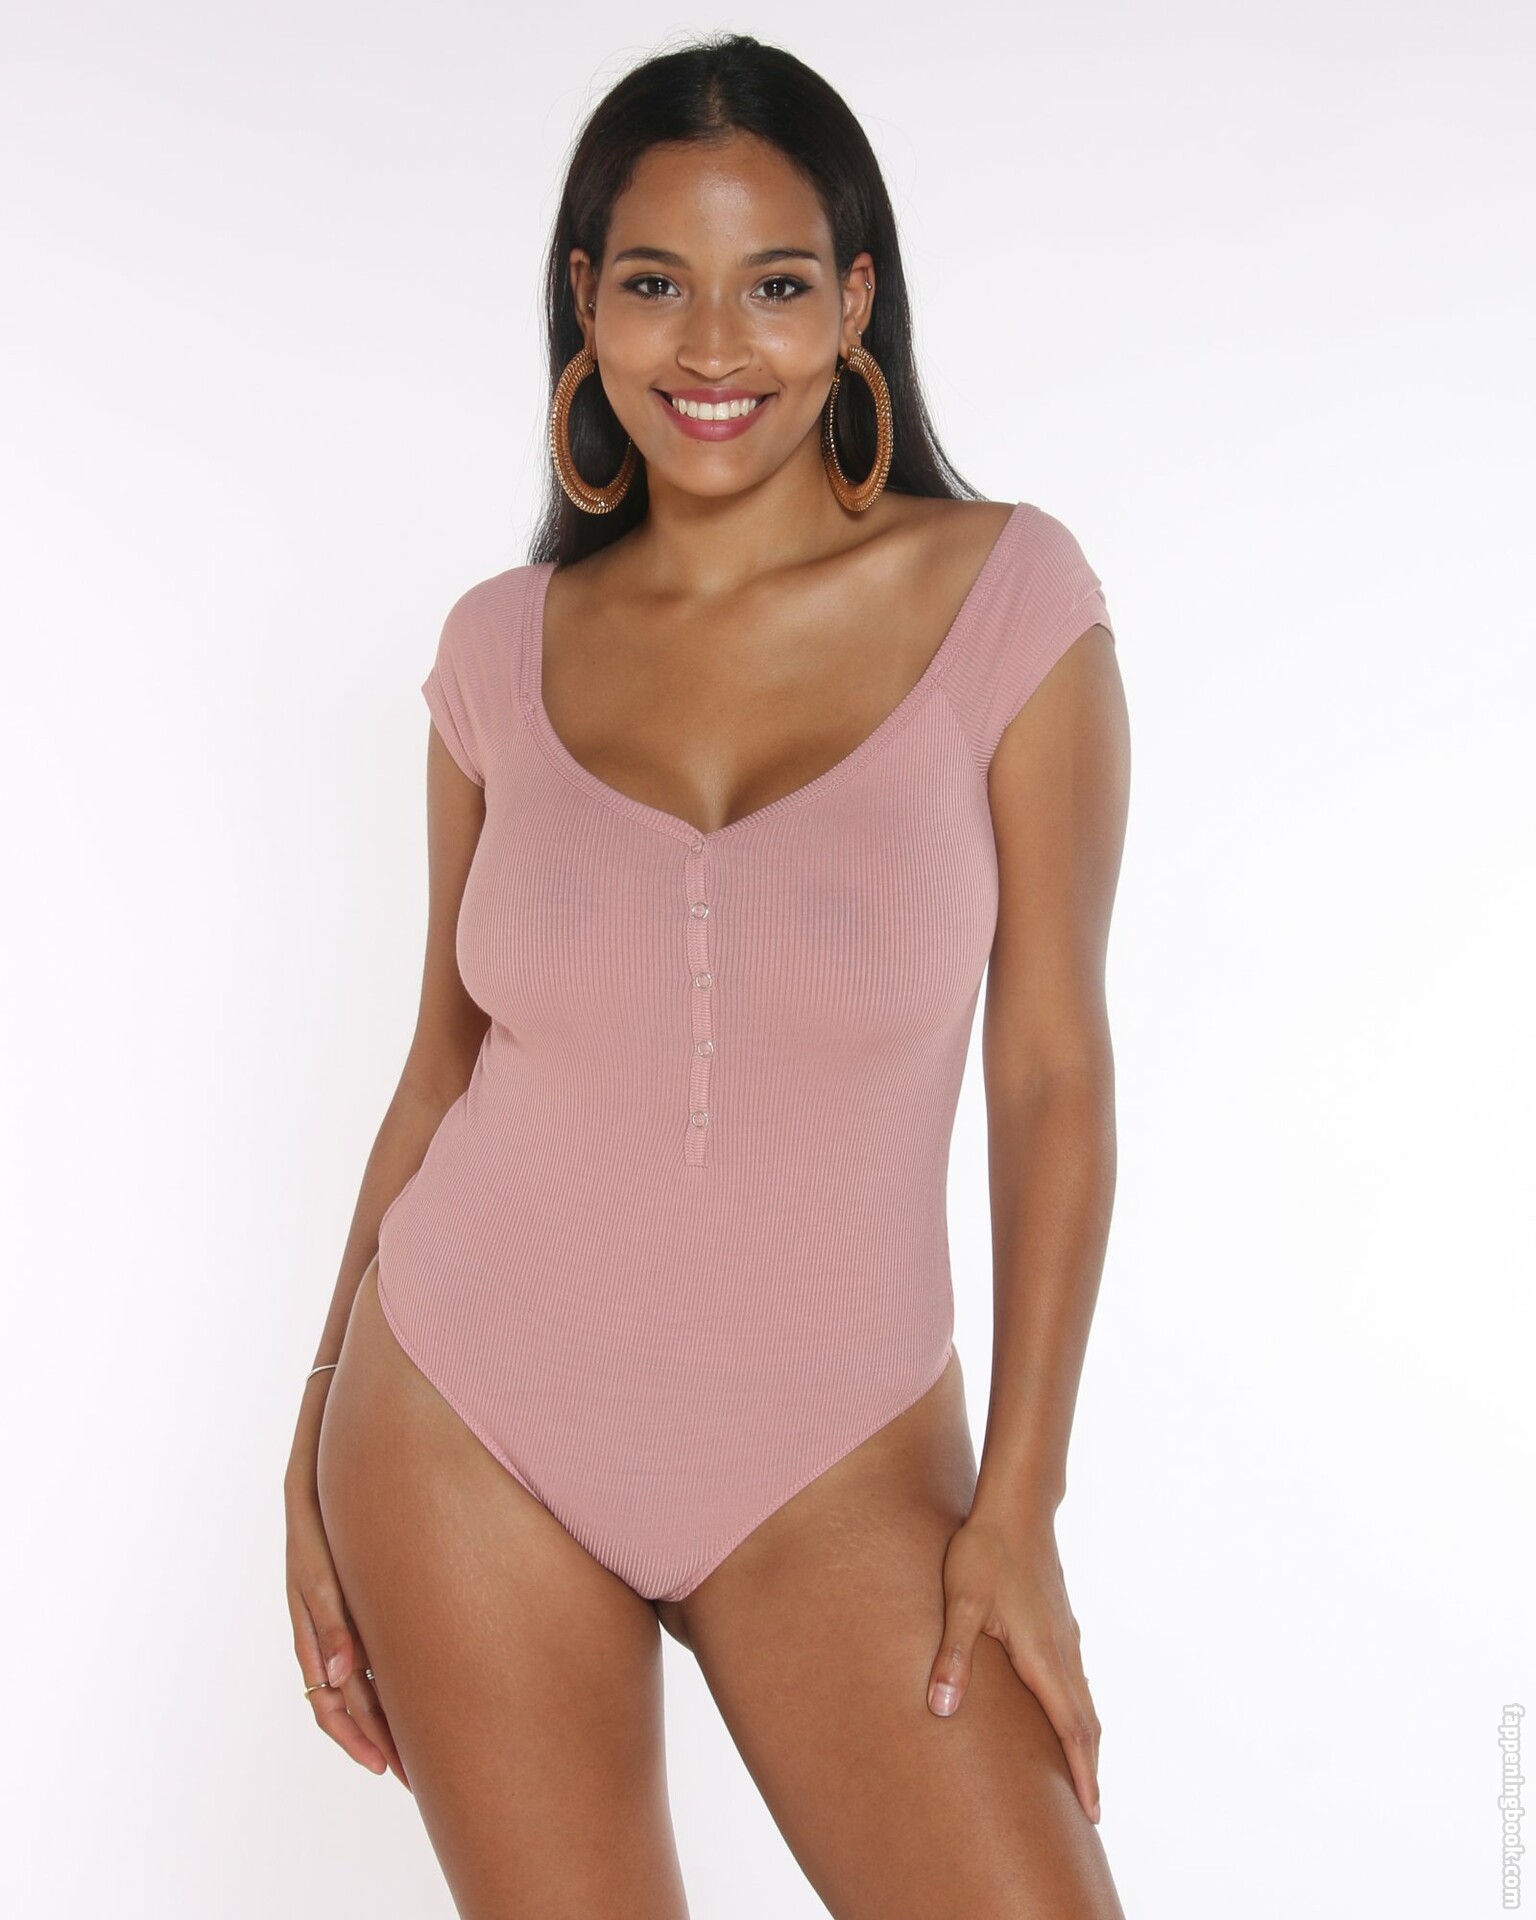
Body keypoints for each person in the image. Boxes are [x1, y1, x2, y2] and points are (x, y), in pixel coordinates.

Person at [284, 31, 1130, 1919]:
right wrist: (308, 1439)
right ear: (587, 303)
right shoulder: (499, 651)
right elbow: (438, 1074)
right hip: (463, 1424)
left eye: (776, 285)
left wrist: (1022, 1505)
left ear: (857, 304)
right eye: (659, 285)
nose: (716, 348)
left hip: (839, 1462)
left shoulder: (1009, 605)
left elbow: (1054, 1074)